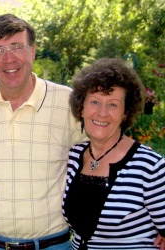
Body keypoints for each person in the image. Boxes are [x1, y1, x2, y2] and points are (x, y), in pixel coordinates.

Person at [0, 14, 86, 249]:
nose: (8, 59)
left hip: (52, 244)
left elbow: (95, 163)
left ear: (33, 51)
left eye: (16, 47)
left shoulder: (67, 101)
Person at [62, 58, 165, 249]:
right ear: (81, 107)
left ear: (125, 113)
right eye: (94, 101)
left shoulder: (150, 167)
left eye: (113, 104)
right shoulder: (74, 157)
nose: (102, 113)